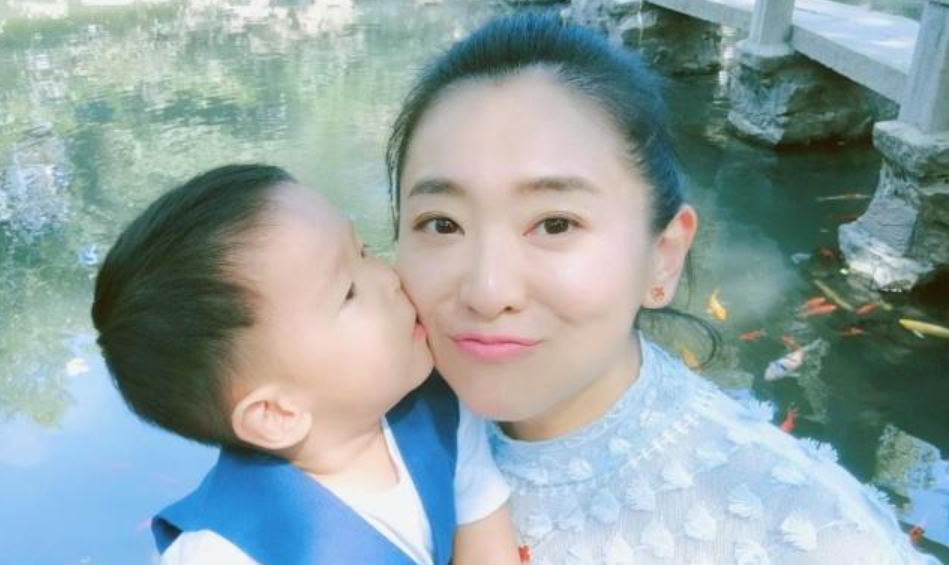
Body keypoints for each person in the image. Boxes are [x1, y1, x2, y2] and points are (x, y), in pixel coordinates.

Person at [389, 13, 940, 564]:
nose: (488, 291)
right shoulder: (355, 419)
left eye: (555, 224)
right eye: (441, 224)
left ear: (663, 257)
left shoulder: (805, 535)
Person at [91, 164, 518, 565]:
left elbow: (484, 535)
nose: (389, 277)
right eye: (349, 292)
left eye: (365, 251)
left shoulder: (438, 409)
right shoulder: (223, 551)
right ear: (276, 413)